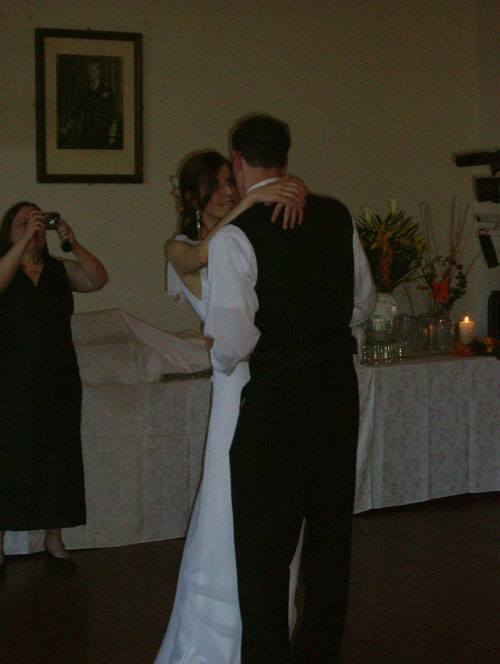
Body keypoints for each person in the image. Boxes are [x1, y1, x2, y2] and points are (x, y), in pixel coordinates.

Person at [203, 113, 376, 664]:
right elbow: (364, 303)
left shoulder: (234, 236)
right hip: (336, 390)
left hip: (277, 395)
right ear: (286, 158)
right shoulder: (335, 214)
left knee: (264, 547)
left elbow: (233, 342)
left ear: (237, 161)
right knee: (329, 540)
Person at [154, 150, 307, 664]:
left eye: (230, 181)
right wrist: (253, 201)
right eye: (216, 185)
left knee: (275, 510)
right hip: (233, 389)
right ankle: (215, 641)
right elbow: (199, 257)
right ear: (192, 197)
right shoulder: (181, 247)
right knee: (227, 507)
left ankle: (268, 629)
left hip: (273, 383)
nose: (227, 191)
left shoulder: (248, 240)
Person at [0, 202, 108, 570]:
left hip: (57, 379)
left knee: (56, 459)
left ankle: (54, 537)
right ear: (9, 233)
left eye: (38, 222)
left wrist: (72, 242)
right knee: (9, 458)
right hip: (11, 381)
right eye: (23, 223)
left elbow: (97, 279)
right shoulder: (6, 268)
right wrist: (22, 244)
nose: (33, 228)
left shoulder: (59, 271)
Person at [59, 60, 119, 149]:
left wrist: (112, 136)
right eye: (89, 71)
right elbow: (76, 112)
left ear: (99, 72)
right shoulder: (83, 91)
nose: (90, 73)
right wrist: (67, 128)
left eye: (93, 71)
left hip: (102, 134)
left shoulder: (107, 90)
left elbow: (113, 115)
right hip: (86, 134)